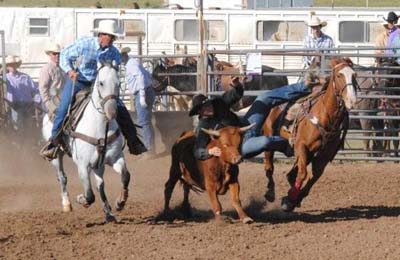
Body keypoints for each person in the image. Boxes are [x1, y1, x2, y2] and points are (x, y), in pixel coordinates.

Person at [41, 19, 146, 159]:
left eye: (113, 37)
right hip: (78, 81)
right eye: (111, 36)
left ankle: (133, 141)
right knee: (63, 107)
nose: (113, 40)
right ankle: (53, 142)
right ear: (102, 35)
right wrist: (70, 71)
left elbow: (114, 71)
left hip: (99, 85)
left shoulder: (114, 52)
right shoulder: (85, 44)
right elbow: (65, 54)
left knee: (120, 108)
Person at [189, 78, 243, 160]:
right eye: (205, 107)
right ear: (199, 112)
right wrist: (209, 152)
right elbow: (197, 150)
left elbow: (236, 94)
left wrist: (237, 85)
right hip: (234, 142)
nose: (210, 107)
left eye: (209, 104)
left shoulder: (219, 103)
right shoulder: (203, 126)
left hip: (242, 128)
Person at [121, 46, 156, 155]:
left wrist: (141, 95)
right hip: (147, 91)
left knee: (143, 122)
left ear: (123, 55)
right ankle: (151, 148)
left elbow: (140, 76)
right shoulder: (132, 63)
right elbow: (146, 75)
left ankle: (149, 150)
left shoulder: (131, 64)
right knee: (146, 121)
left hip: (143, 92)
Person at [5, 55, 41, 131]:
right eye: (10, 64)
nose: (12, 66)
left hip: (28, 105)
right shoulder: (5, 78)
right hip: (14, 106)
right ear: (7, 66)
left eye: (14, 64)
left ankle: (27, 141)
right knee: (17, 127)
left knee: (28, 128)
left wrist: (36, 102)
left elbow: (36, 90)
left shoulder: (25, 77)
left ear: (17, 65)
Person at [38, 42, 66, 121]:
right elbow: (43, 88)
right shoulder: (47, 69)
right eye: (54, 54)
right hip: (52, 100)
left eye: (59, 54)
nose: (57, 56)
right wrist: (48, 104)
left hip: (61, 100)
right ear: (50, 55)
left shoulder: (62, 68)